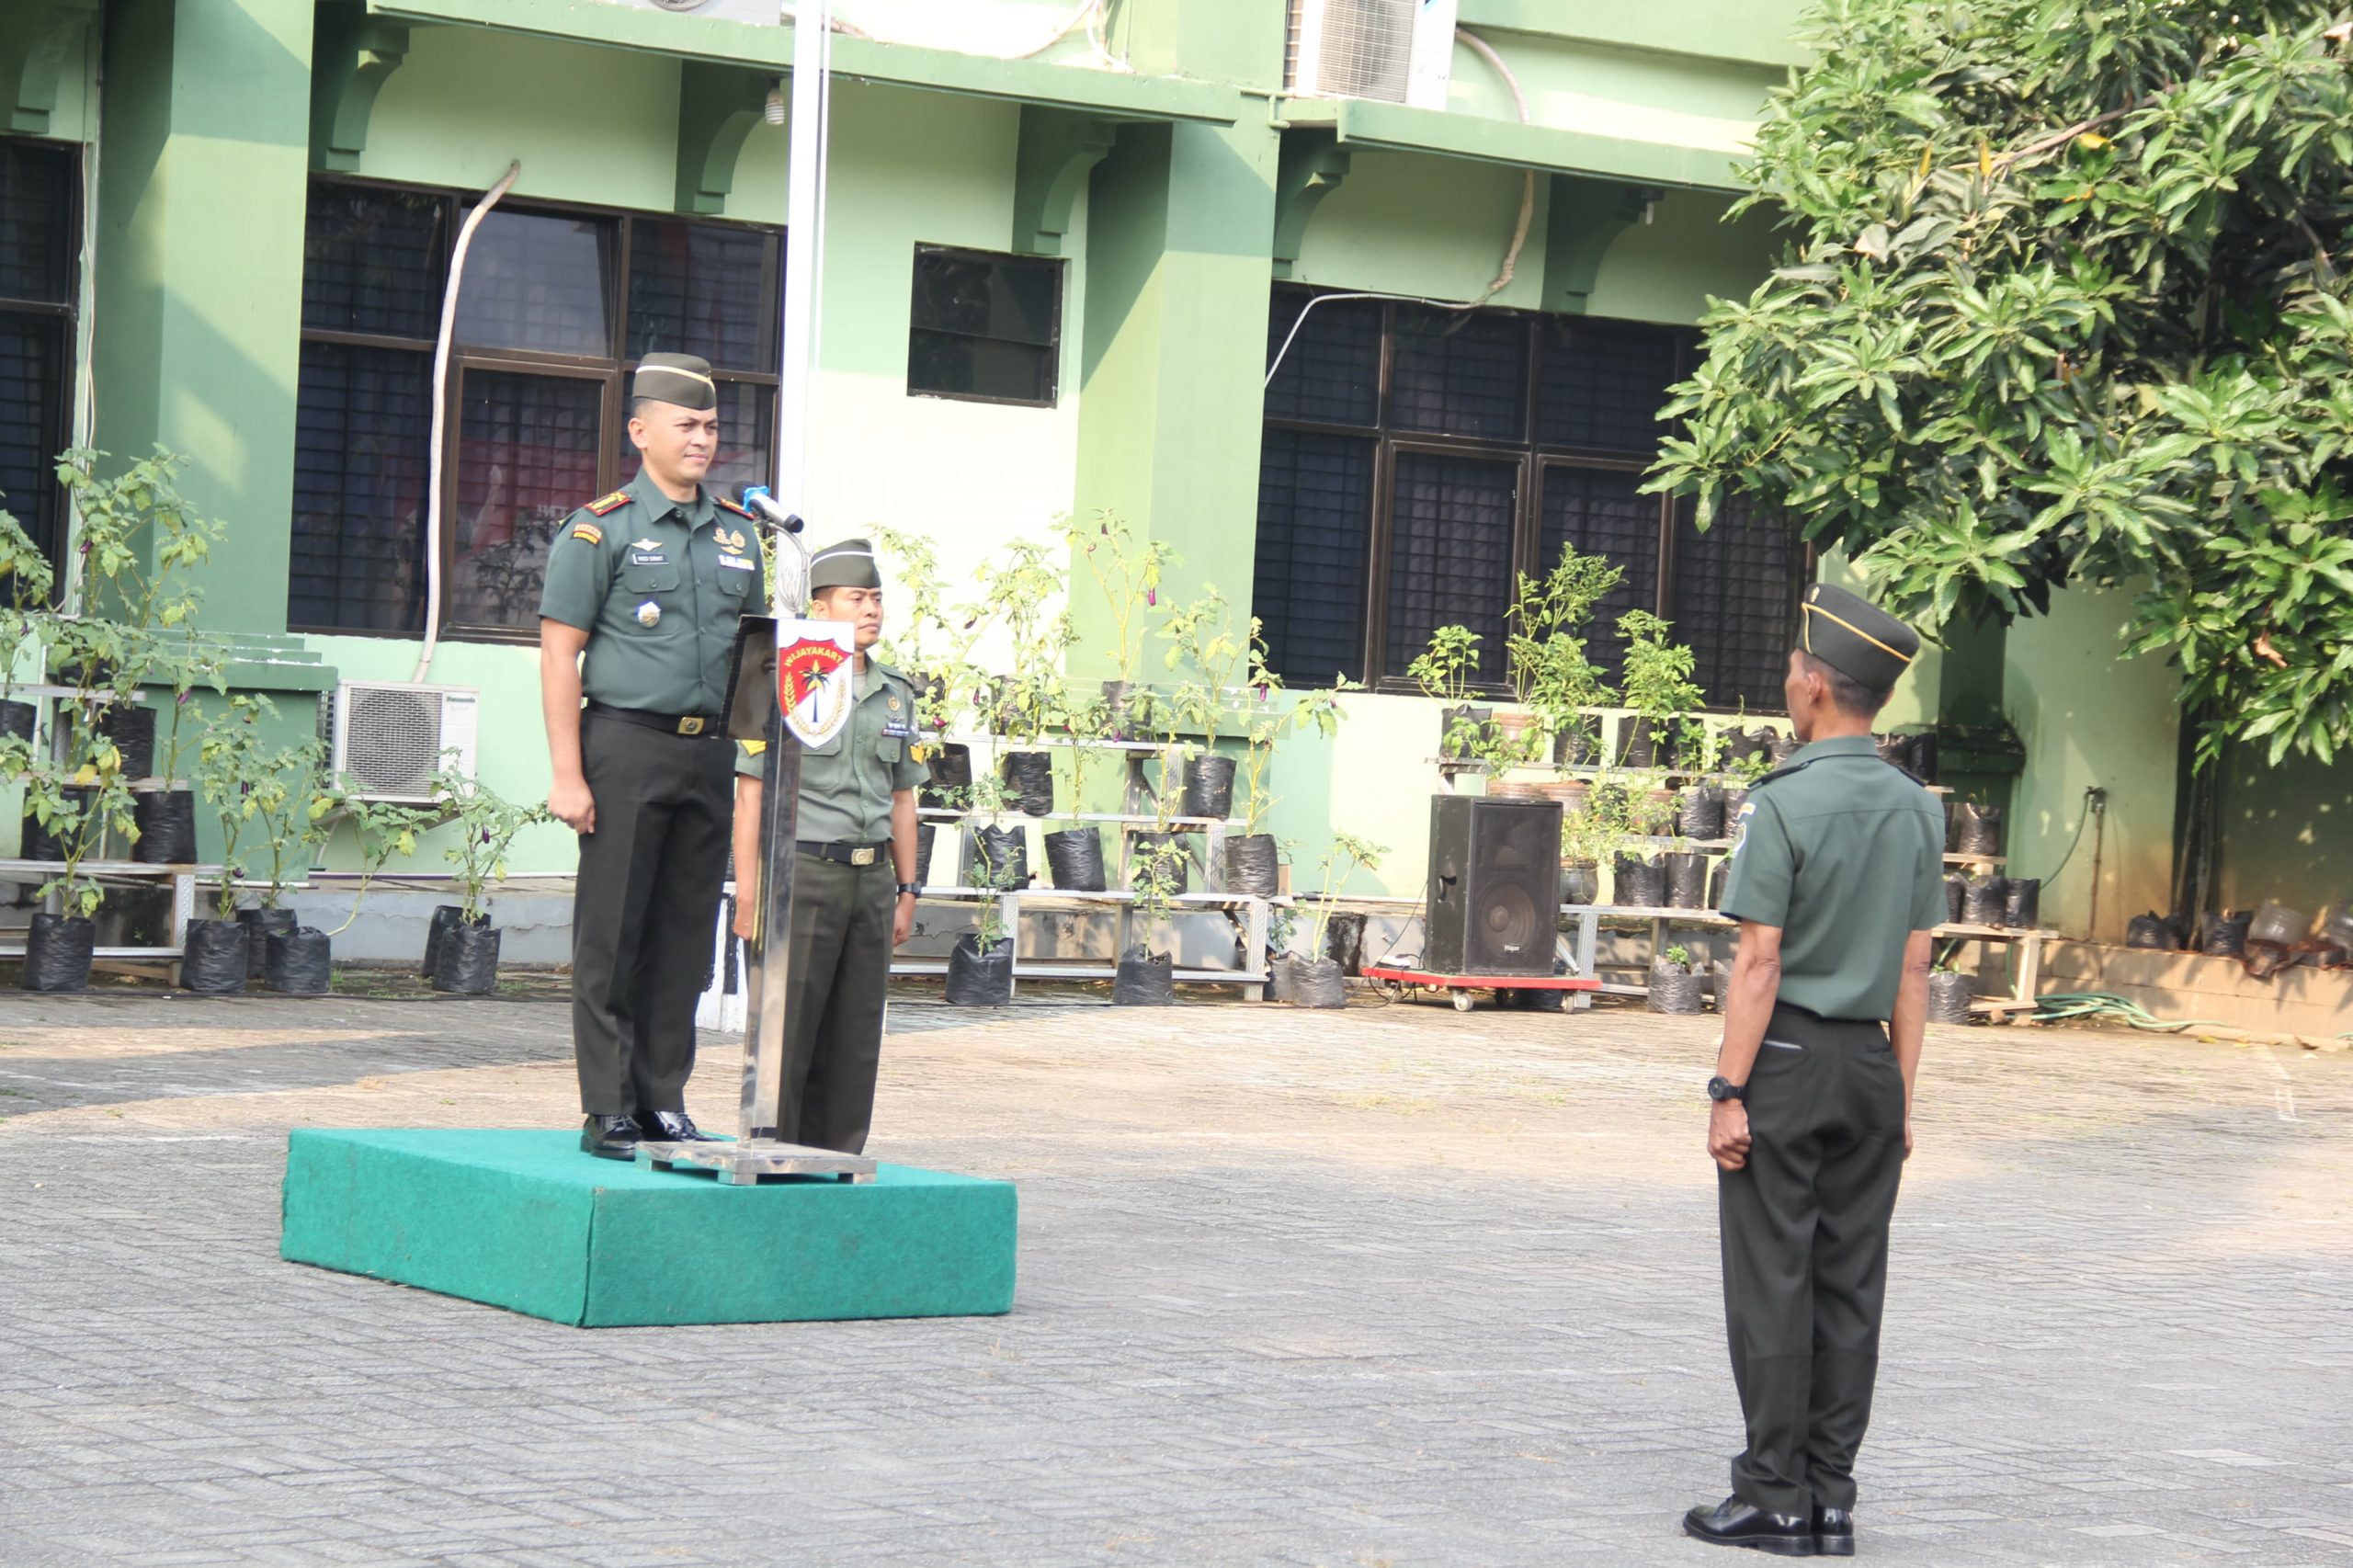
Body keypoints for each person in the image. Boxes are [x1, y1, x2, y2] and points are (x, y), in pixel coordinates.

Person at [1683, 582, 1946, 1558]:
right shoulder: (1918, 810)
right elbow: (1915, 965)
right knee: (1849, 1282)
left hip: (1786, 1059)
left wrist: (1727, 1089)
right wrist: (1903, 1097)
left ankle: (1771, 1492)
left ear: (1816, 691)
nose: (1788, 680)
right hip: (1874, 1064)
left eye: (1795, 668)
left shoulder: (1782, 802)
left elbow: (1758, 960)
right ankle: (1833, 1492)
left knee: (1772, 1279)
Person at [537, 352, 763, 1161]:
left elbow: (758, 662)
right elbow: (560, 654)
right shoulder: (602, 528)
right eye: (687, 425)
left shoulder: (740, 535)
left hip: (708, 754)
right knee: (615, 934)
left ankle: (663, 1096)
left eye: (710, 426)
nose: (703, 439)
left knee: (681, 939)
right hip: (626, 745)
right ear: (640, 431)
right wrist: (568, 774)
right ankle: (608, 1104)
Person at [730, 538, 925, 1154]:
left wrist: (908, 889)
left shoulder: (896, 692)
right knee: (787, 1027)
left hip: (870, 880)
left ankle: (837, 1158)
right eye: (855, 598)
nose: (871, 609)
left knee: (856, 1029)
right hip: (803, 872)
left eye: (876, 598)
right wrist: (750, 892)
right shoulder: (790, 679)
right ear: (820, 607)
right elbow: (750, 796)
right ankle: (772, 1151)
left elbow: (902, 800)